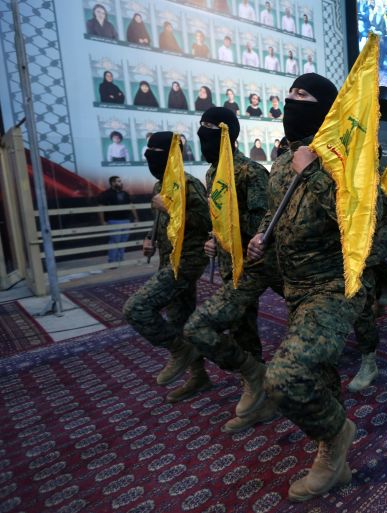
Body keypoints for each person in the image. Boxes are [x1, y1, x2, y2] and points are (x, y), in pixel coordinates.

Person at [246, 73, 361, 501]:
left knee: (284, 378)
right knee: (321, 375)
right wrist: (261, 237)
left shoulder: (346, 158)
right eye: (290, 93)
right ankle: (335, 463)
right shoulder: (281, 163)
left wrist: (312, 172)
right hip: (294, 287)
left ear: (325, 109)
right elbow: (274, 214)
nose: (291, 100)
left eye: (303, 94)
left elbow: (357, 220)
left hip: (333, 286)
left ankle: (337, 434)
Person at [181, 108, 283, 430]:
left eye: (209, 127)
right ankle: (258, 390)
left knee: (219, 325)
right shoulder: (213, 173)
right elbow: (218, 219)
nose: (203, 133)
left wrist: (231, 235)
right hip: (230, 267)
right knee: (242, 330)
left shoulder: (250, 172)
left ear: (227, 133)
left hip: (255, 266)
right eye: (200, 127)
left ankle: (263, 384)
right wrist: (214, 240)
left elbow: (262, 226)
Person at [123, 132, 211, 388]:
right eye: (148, 151)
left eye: (156, 153)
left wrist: (172, 209)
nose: (150, 157)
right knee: (180, 320)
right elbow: (162, 223)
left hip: (186, 263)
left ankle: (180, 350)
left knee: (136, 308)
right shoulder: (159, 186)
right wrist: (149, 239)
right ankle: (199, 377)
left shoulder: (189, 184)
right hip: (167, 261)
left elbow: (208, 223)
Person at [348, 149, 387, 392]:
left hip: (370, 244)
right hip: (342, 248)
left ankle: (368, 360)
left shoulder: (381, 179)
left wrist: (377, 248)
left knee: (361, 303)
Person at [98, 176, 139, 264]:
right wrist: (102, 221)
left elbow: (131, 206)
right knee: (114, 241)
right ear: (113, 183)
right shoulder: (106, 194)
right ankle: (112, 261)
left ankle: (120, 258)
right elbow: (101, 207)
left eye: (120, 181)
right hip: (113, 220)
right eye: (119, 181)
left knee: (123, 241)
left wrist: (136, 217)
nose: (121, 183)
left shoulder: (125, 193)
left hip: (126, 220)